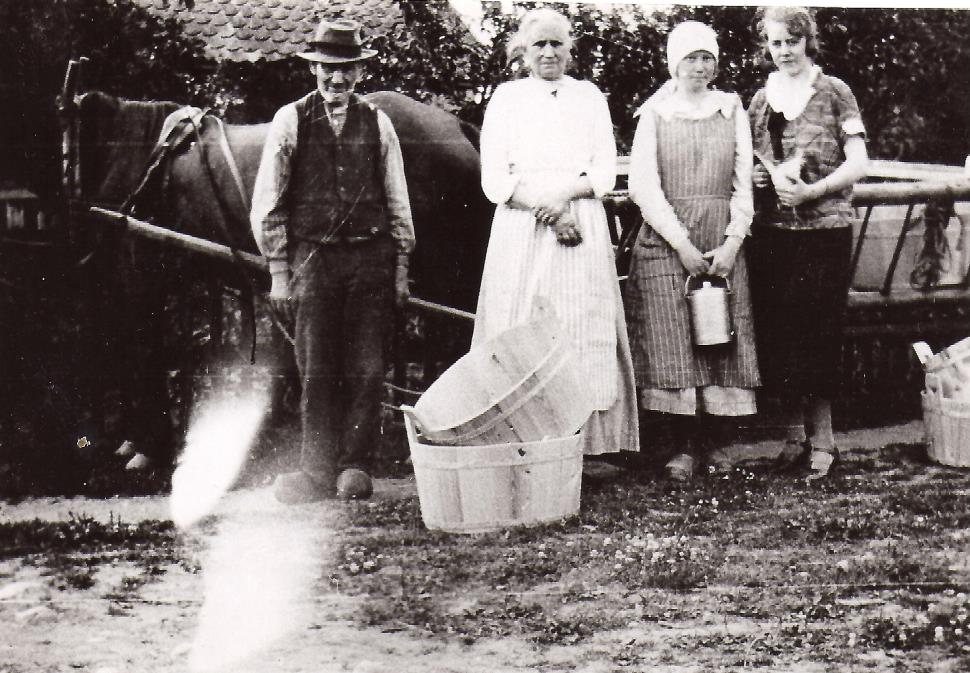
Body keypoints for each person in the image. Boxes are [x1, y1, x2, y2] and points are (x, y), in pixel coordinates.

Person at [250, 18, 414, 503]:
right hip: (313, 263)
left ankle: (355, 465)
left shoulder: (378, 123)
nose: (336, 79)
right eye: (326, 69)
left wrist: (400, 267)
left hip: (370, 259)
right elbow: (268, 204)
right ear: (314, 69)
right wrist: (280, 273)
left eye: (345, 70)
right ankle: (316, 471)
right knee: (317, 367)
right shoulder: (291, 120)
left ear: (360, 72)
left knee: (367, 367)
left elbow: (397, 200)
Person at [474, 7, 639, 458]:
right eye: (539, 44)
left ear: (570, 49)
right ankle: (522, 442)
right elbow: (494, 179)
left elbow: (604, 171)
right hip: (521, 228)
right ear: (522, 51)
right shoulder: (507, 100)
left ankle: (584, 446)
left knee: (579, 326)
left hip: (580, 226)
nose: (549, 52)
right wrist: (548, 210)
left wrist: (565, 198)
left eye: (557, 43)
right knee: (521, 325)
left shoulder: (589, 98)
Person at [626, 21, 760, 482]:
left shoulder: (731, 109)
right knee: (674, 342)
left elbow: (743, 182)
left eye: (707, 58)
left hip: (721, 236)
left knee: (721, 339)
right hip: (668, 242)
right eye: (690, 58)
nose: (700, 67)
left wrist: (733, 240)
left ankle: (719, 445)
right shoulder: (655, 114)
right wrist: (681, 244)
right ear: (673, 63)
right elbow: (643, 186)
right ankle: (682, 447)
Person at [746, 6, 869, 480]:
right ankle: (794, 439)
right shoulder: (760, 101)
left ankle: (826, 443)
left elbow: (858, 162)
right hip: (775, 234)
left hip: (825, 231)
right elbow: (752, 163)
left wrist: (812, 191)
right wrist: (762, 176)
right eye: (776, 43)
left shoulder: (835, 91)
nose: (784, 52)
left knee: (818, 333)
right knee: (780, 334)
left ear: (807, 41)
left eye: (792, 42)